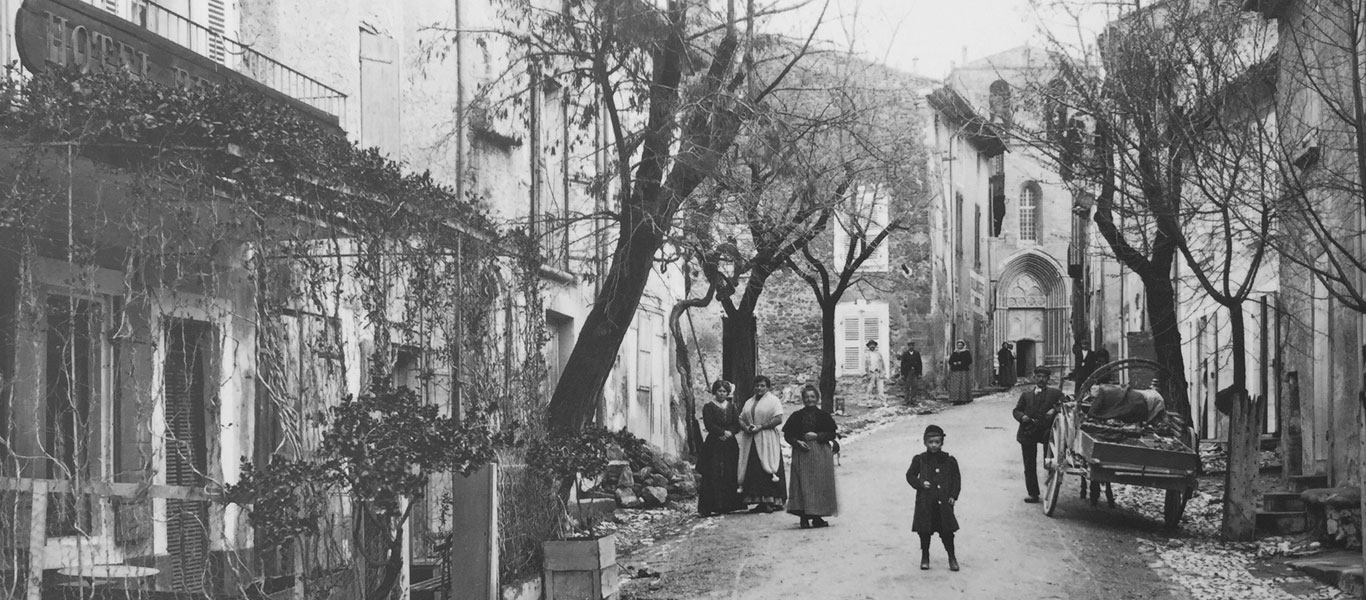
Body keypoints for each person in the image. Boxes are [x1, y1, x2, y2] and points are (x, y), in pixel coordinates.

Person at [906, 424, 961, 571]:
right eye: (930, 442)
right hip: (926, 502)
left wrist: (953, 496)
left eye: (937, 442)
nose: (934, 445)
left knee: (947, 532)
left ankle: (952, 556)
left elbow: (956, 479)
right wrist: (920, 483)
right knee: (924, 531)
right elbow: (910, 475)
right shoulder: (920, 459)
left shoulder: (949, 460)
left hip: (943, 503)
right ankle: (925, 556)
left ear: (942, 442)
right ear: (925, 442)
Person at [783, 384, 839, 529]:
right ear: (803, 399)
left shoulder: (824, 416)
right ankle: (804, 517)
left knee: (818, 485)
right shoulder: (797, 416)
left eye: (812, 397)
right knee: (802, 484)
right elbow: (788, 435)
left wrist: (818, 435)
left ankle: (816, 517)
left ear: (817, 399)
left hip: (820, 453)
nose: (809, 399)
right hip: (802, 453)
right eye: (807, 397)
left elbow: (832, 433)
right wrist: (797, 442)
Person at [1014, 366, 1065, 503]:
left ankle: (1049, 489)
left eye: (1044, 377)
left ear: (1048, 379)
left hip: (1045, 431)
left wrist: (1054, 410)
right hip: (1028, 430)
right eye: (1039, 376)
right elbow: (1016, 410)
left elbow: (1064, 405)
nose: (1041, 379)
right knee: (1029, 464)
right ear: (1034, 378)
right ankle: (1033, 493)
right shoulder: (1026, 395)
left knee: (1048, 461)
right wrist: (1022, 416)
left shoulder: (1055, 393)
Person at [737, 375, 787, 513]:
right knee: (754, 469)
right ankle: (758, 500)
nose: (759, 388)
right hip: (751, 439)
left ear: (768, 387)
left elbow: (778, 419)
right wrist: (745, 427)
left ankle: (771, 500)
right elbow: (741, 418)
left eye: (762, 386)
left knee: (768, 466)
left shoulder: (773, 401)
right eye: (757, 386)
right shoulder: (748, 402)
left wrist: (762, 426)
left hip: (767, 437)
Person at [697, 380, 745, 516]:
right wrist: (721, 433)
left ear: (728, 393)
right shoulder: (709, 407)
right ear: (714, 392)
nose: (722, 394)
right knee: (713, 472)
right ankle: (708, 507)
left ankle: (727, 505)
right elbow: (709, 424)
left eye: (724, 391)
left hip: (729, 444)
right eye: (719, 391)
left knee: (730, 471)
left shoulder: (732, 407)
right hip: (714, 443)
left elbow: (736, 424)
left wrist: (730, 432)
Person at [947, 340, 973, 405]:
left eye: (961, 345)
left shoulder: (966, 352)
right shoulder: (955, 352)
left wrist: (961, 363)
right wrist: (954, 363)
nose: (959, 346)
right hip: (955, 371)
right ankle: (955, 399)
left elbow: (969, 360)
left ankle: (964, 399)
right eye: (958, 345)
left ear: (963, 346)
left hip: (963, 370)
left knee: (963, 384)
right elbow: (950, 361)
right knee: (955, 385)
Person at [864, 340, 886, 405]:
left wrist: (883, 372)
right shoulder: (866, 355)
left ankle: (883, 402)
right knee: (870, 389)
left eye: (873, 345)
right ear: (868, 346)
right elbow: (865, 365)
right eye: (870, 345)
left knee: (880, 389)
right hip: (871, 373)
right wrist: (867, 374)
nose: (872, 346)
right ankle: (869, 402)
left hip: (878, 373)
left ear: (875, 346)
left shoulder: (879, 354)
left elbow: (882, 364)